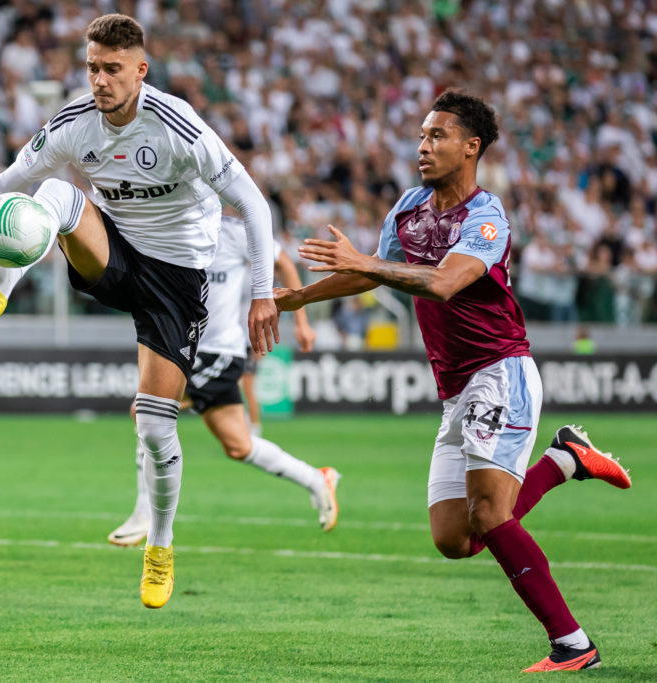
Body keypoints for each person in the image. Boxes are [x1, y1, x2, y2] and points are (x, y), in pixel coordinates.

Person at [0, 14, 279, 609]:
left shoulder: (178, 126)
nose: (100, 80)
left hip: (177, 280)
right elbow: (6, 180)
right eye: (92, 67)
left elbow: (253, 203)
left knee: (155, 424)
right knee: (56, 193)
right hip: (112, 254)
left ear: (140, 69)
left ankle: (159, 546)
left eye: (113, 69)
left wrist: (262, 292)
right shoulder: (73, 123)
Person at [276, 90, 632, 672]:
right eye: (421, 135)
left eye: (437, 136)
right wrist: (294, 298)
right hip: (456, 388)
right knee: (455, 539)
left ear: (471, 147)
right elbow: (371, 275)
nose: (423, 146)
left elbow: (442, 283)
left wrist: (366, 263)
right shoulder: (411, 207)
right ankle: (567, 459)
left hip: (501, 372)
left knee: (490, 516)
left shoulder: (487, 218)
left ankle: (573, 644)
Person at [108, 213, 334, 548]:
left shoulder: (235, 233)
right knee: (239, 445)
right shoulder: (172, 231)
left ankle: (145, 514)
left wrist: (300, 322)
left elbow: (285, 263)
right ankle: (317, 479)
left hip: (219, 352)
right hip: (188, 348)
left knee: (144, 410)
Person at [239, 241, 316, 437]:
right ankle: (248, 428)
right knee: (239, 384)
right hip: (238, 335)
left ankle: (254, 430)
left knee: (247, 384)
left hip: (251, 337)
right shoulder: (243, 271)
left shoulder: (261, 277)